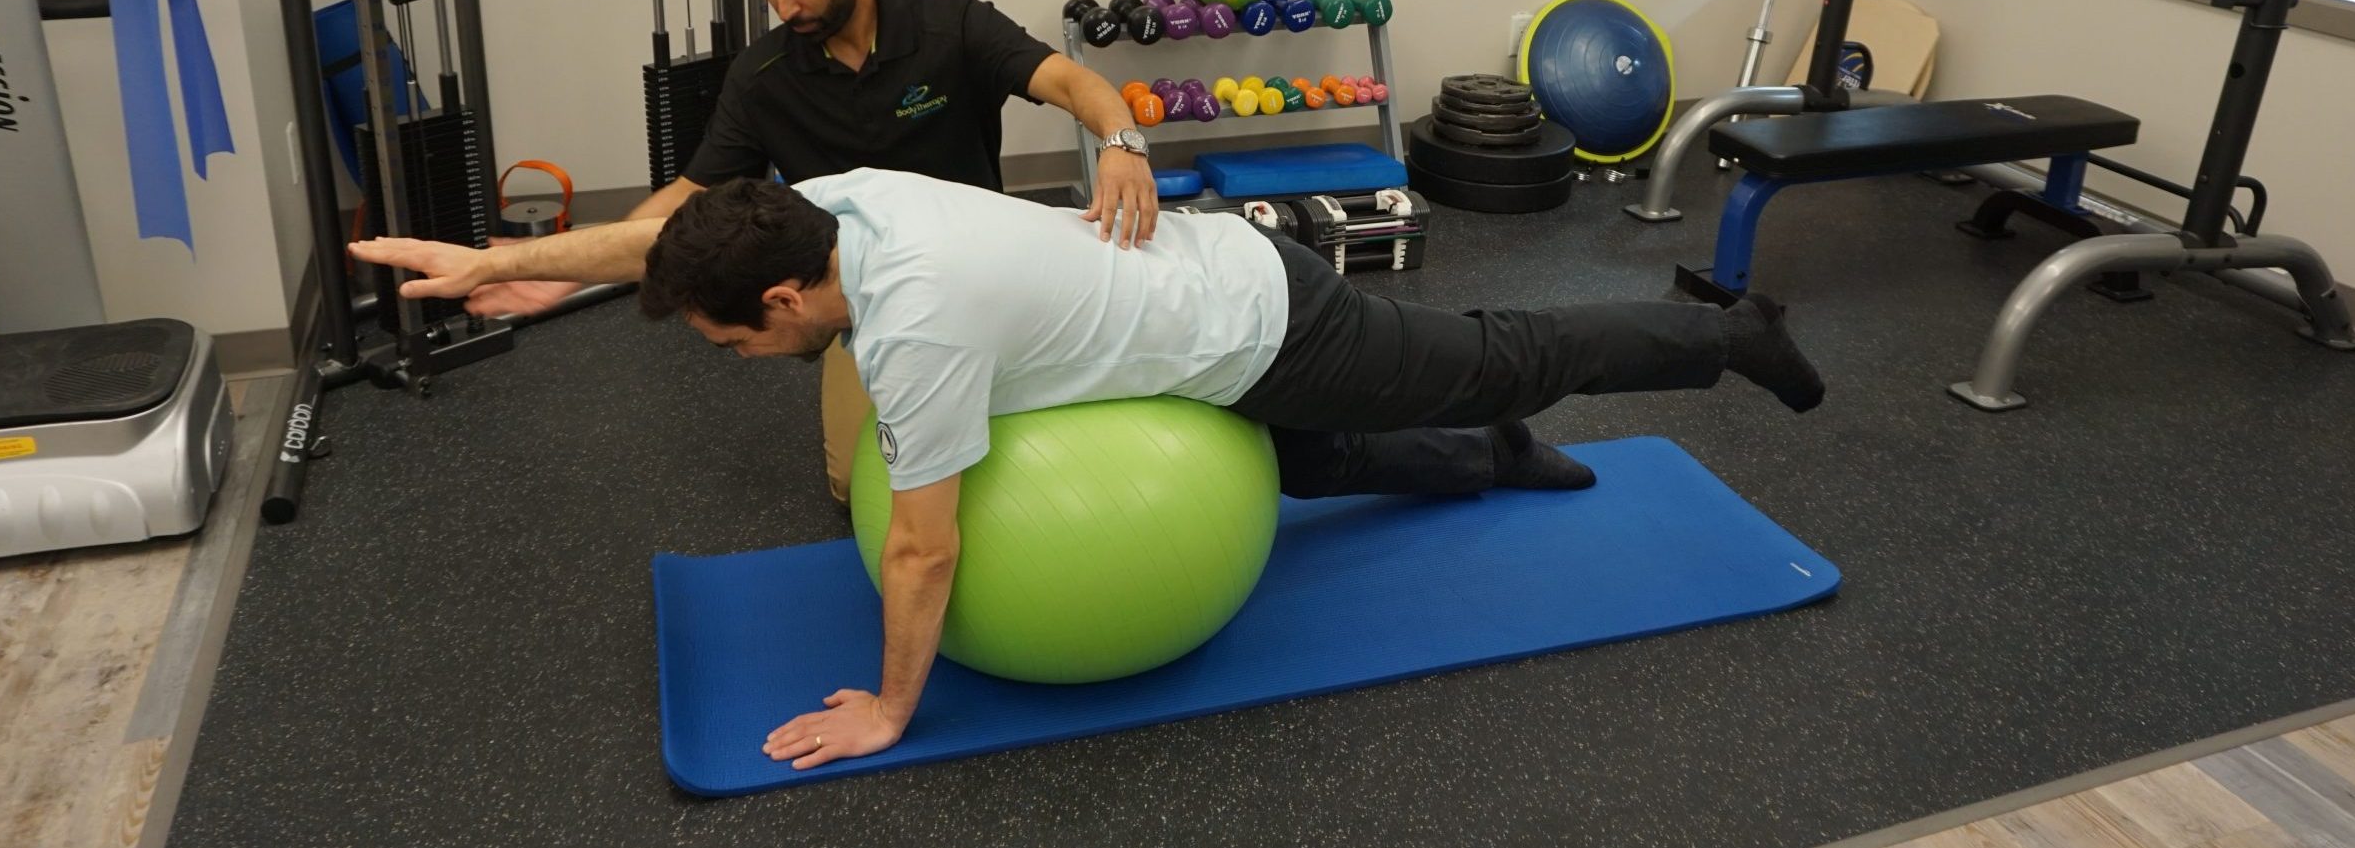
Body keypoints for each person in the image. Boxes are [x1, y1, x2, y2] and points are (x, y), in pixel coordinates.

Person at [349, 169, 1828, 773]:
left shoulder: (914, 337)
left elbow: (924, 551)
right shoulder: (825, 214)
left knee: (1498, 345)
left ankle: (1727, 335)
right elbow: (660, 231)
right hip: (1204, 285)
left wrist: (890, 706)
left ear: (792, 301)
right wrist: (499, 259)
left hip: (1260, 323)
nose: (732, 358)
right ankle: (1488, 458)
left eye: (732, 342)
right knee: (1308, 471)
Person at [465, 0, 1158, 504]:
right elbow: (688, 194)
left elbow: (1068, 80)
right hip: (855, 293)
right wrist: (568, 268)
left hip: (982, 272)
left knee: (1030, 456)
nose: (783, 6)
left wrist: (1121, 143)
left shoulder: (952, 26)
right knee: (856, 488)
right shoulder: (763, 77)